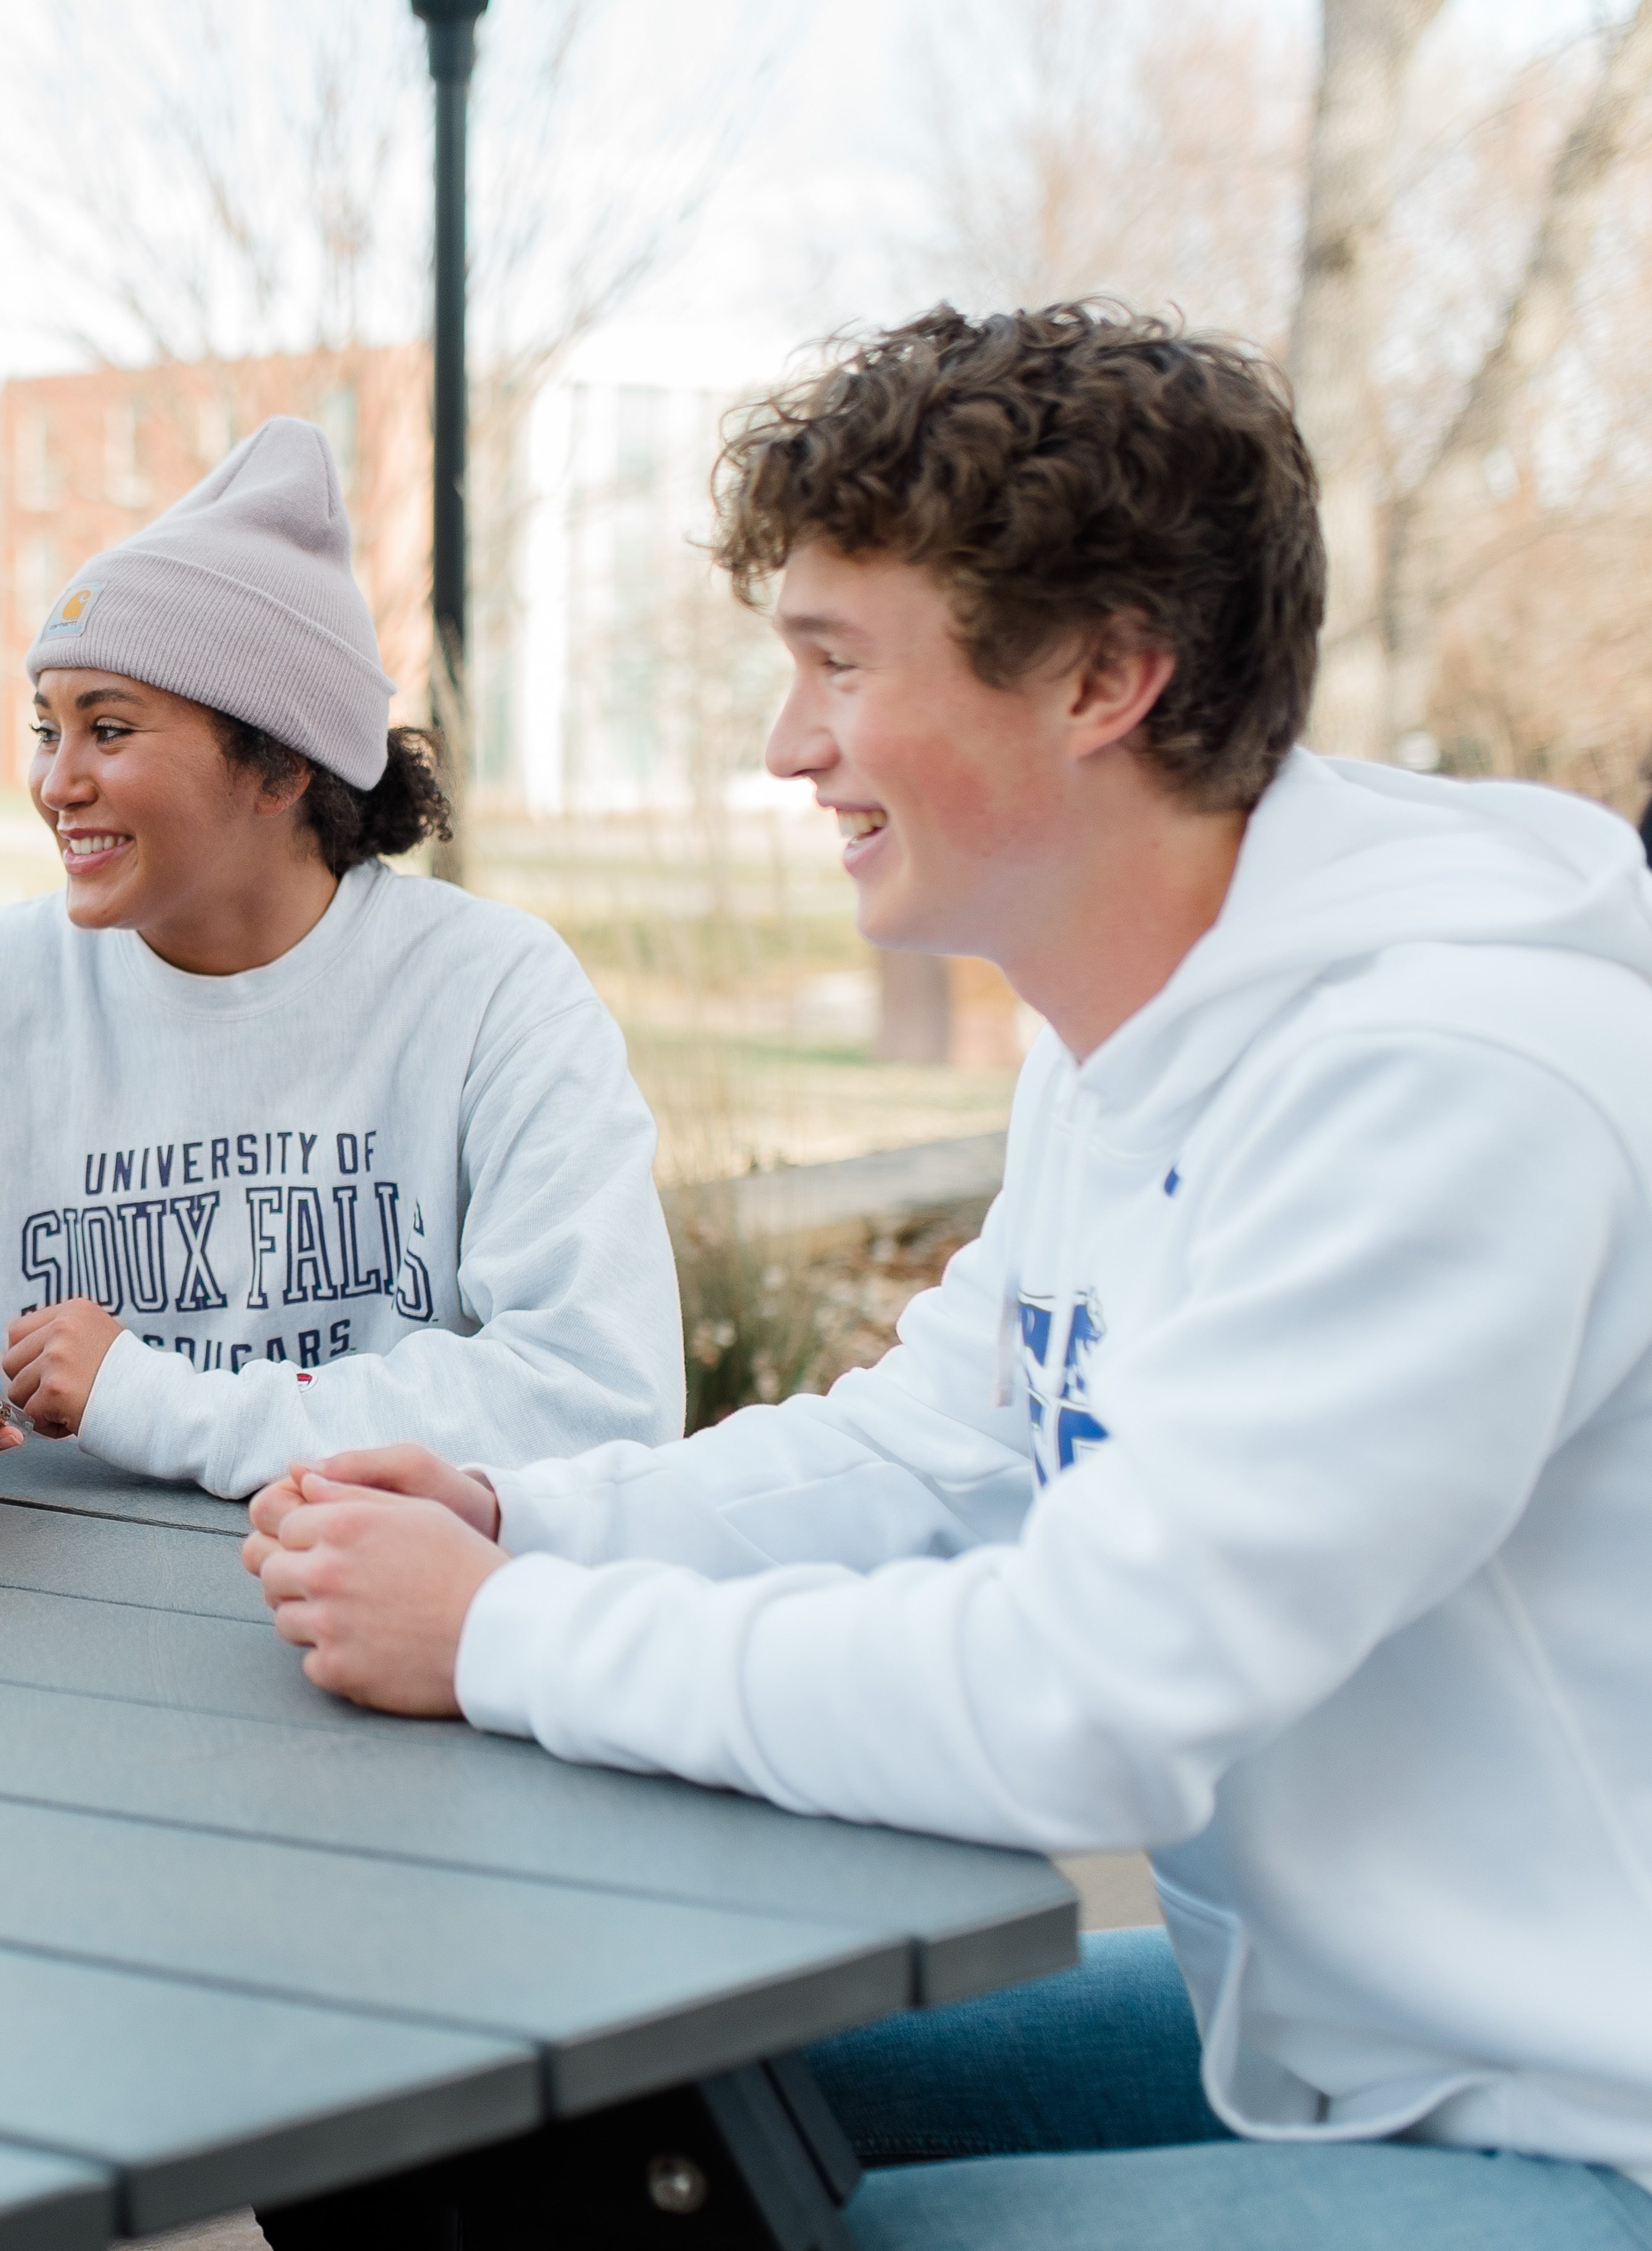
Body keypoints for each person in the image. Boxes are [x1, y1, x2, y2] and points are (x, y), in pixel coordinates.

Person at [244, 307, 1652, 2246]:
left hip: (1579, 2112)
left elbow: (1087, 1696)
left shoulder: (1447, 1090)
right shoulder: (1138, 1041)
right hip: (1333, 2035)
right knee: (448, 2119)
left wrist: (496, 1634)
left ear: (1102, 675)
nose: (785, 741)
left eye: (837, 662)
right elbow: (931, 1448)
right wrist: (519, 1514)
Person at [0, 418, 681, 1503]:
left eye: (109, 731)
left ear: (279, 766)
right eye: (46, 728)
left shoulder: (491, 991)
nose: (55, 782)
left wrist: (148, 1398)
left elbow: (599, 1392)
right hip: (29, 1627)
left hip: (364, 1626)